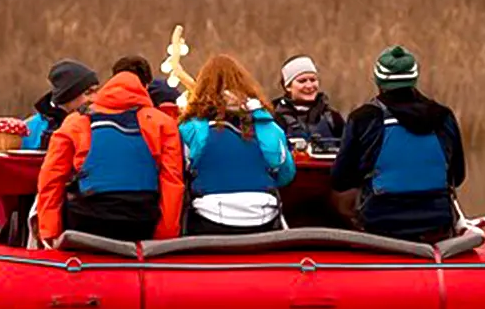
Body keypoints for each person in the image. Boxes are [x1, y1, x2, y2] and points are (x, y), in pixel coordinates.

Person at [330, 45, 465, 243]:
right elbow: (458, 176)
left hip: (381, 223)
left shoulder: (363, 118)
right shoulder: (444, 116)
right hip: (437, 222)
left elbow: (339, 180)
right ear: (414, 78)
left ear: (379, 80)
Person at [35, 65, 184, 244]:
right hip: (143, 221)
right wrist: (165, 236)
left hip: (88, 221)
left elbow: (51, 180)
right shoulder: (163, 123)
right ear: (143, 90)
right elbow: (172, 182)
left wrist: (49, 233)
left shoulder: (75, 122)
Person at [178, 54, 296, 235]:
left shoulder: (191, 128)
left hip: (209, 217)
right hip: (263, 218)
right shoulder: (266, 124)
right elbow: (286, 173)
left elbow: (179, 172)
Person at [23, 59, 100, 150]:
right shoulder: (29, 129)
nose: (95, 98)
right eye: (88, 93)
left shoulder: (100, 123)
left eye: (96, 91)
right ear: (68, 96)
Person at [271, 54, 345, 145]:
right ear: (288, 87)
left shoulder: (333, 117)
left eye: (313, 80)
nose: (309, 86)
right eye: (302, 81)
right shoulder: (273, 118)